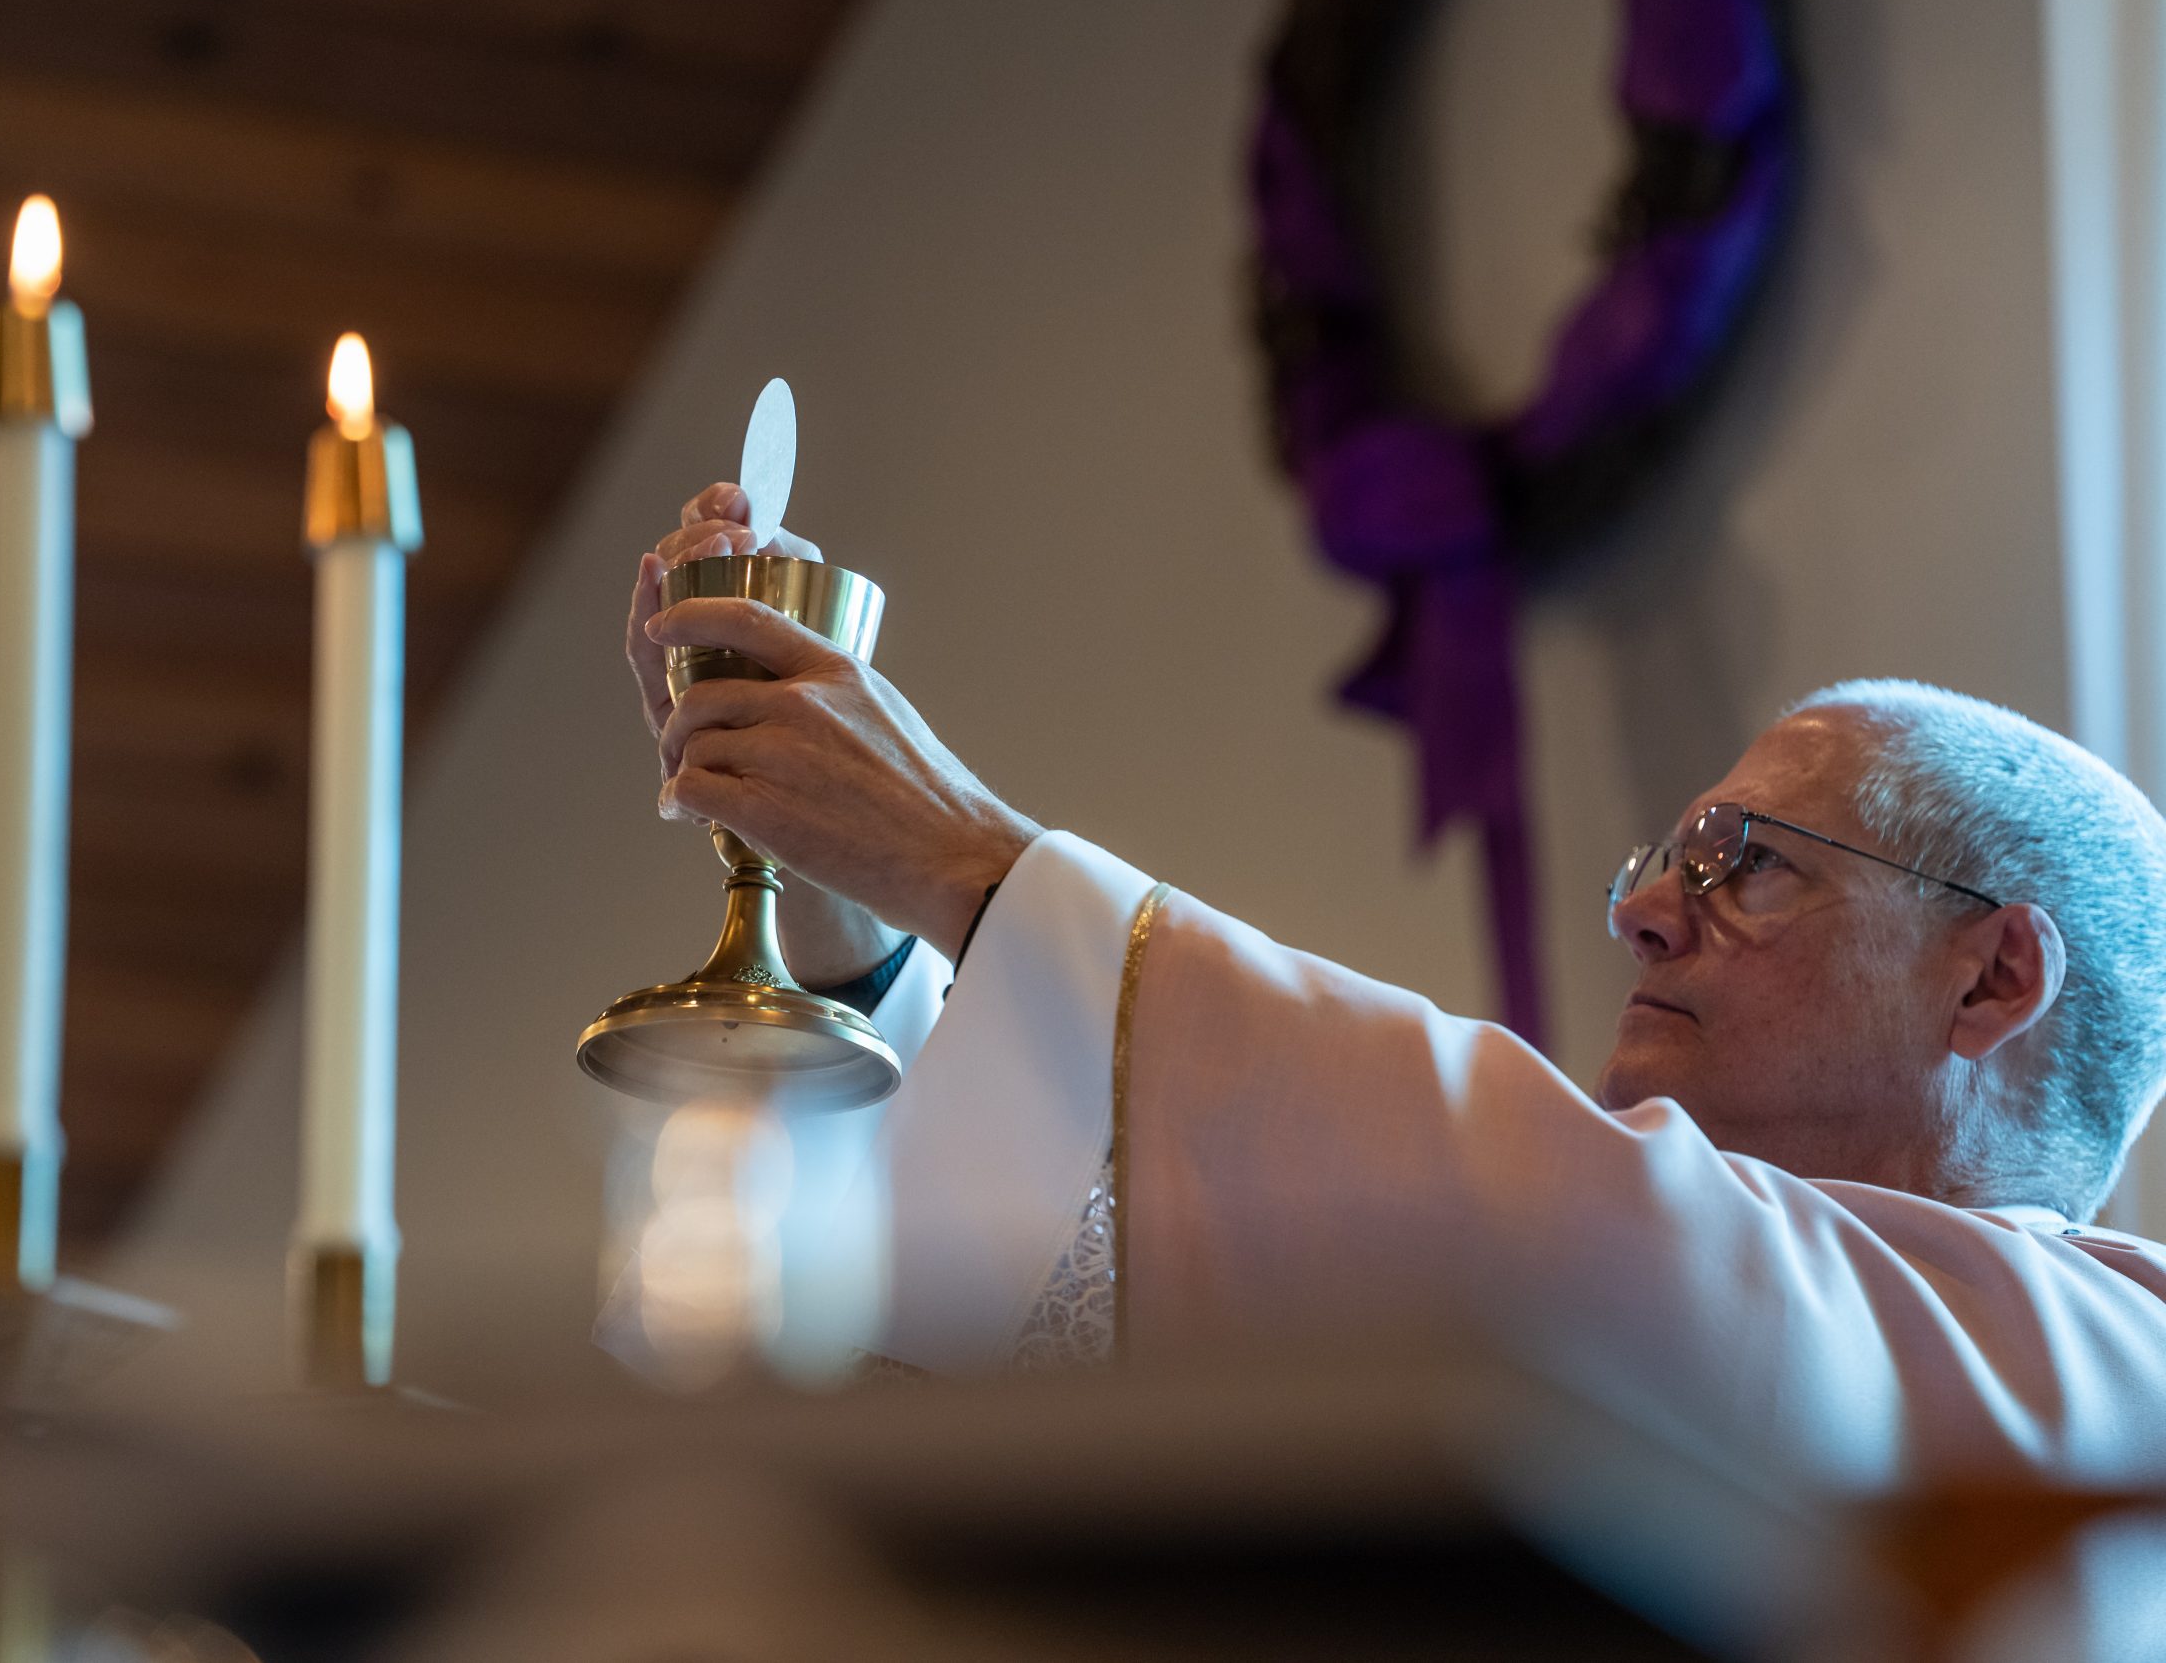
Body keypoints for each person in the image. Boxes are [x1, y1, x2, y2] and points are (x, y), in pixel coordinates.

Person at [625, 483, 2166, 1491]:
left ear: (1994, 976)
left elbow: (1609, 1248)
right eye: (1662, 856)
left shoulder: (2106, 1361)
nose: (1639, 909)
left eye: (1745, 861)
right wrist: (840, 933)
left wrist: (967, 859)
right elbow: (1073, 1299)